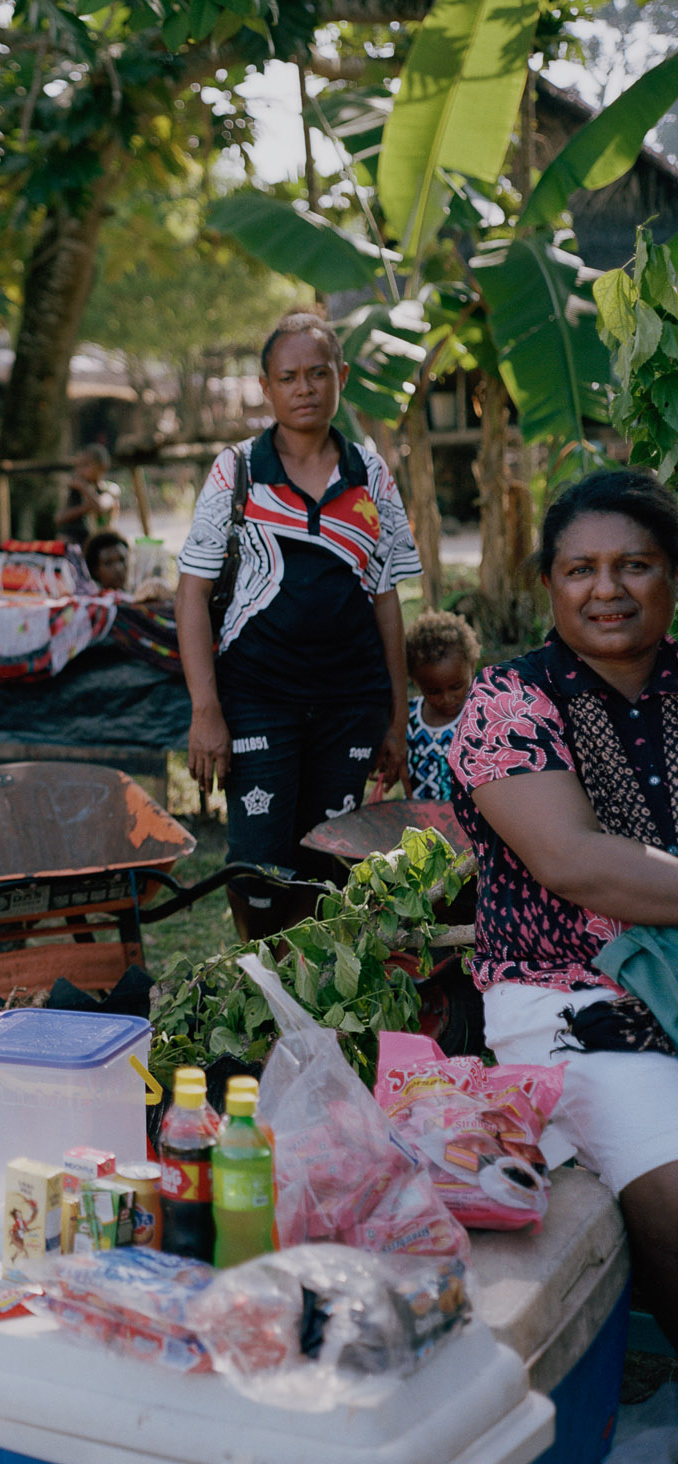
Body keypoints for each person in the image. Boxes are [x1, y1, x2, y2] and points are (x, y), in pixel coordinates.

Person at [447, 469, 678, 1344]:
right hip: (570, 997)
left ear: (672, 576)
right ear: (548, 583)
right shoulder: (511, 701)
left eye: (636, 565)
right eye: (581, 569)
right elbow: (573, 863)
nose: (608, 590)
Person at [173, 310, 421, 877]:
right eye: (287, 378)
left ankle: (315, 971)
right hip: (259, 697)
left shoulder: (371, 475)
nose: (304, 388)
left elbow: (386, 600)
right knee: (257, 866)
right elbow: (190, 596)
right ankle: (259, 968)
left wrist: (396, 720)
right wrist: (205, 711)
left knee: (331, 865)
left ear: (343, 376)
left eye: (318, 373)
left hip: (350, 704)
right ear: (266, 388)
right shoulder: (236, 471)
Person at [404, 610, 479, 804]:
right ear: (414, 679)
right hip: (421, 823)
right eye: (433, 691)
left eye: (456, 687)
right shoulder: (408, 719)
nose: (447, 699)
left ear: (472, 666)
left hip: (470, 825)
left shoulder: (479, 716)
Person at [57, 444, 120, 545]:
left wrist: (83, 487)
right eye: (78, 466)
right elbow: (59, 518)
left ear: (102, 467)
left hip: (103, 542)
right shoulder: (77, 492)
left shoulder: (110, 488)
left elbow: (100, 506)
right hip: (83, 541)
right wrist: (85, 507)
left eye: (85, 465)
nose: (79, 470)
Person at [84, 529, 130, 593]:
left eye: (122, 560)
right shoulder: (89, 601)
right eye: (108, 563)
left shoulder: (139, 594)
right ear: (95, 570)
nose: (118, 568)